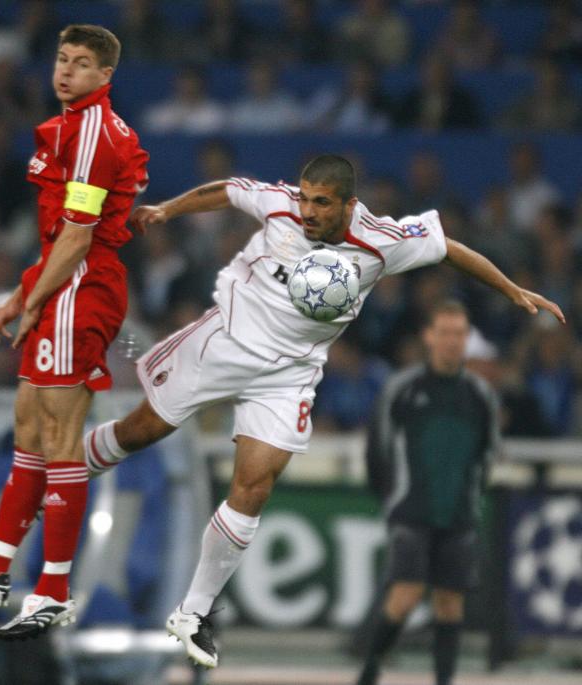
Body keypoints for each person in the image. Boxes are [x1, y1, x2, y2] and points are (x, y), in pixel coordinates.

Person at [80, 154, 564, 668]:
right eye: (305, 197)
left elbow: (451, 250)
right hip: (225, 343)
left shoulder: (381, 239)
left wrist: (510, 288)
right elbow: (228, 189)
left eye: (321, 202)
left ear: (349, 205)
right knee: (141, 431)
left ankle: (193, 611)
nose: (307, 210)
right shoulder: (281, 205)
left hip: (288, 374)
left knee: (255, 485)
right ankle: (65, 472)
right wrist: (168, 209)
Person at [0, 24, 149, 640]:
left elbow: (80, 238)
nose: (67, 71)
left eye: (82, 64)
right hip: (62, 283)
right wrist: (20, 295)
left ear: (105, 77)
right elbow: (62, 236)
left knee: (60, 432)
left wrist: (37, 300)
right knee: (29, 422)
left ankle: (53, 588)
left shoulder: (92, 135)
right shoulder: (76, 128)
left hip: (82, 289)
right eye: (62, 59)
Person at [354, 300, 500, 685]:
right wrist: (389, 496)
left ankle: (443, 680)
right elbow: (378, 448)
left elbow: (487, 454)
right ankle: (370, 669)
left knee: (450, 602)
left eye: (460, 334)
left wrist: (472, 498)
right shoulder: (403, 388)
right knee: (404, 595)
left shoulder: (479, 395)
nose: (453, 342)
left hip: (459, 511)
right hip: (412, 508)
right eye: (446, 333)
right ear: (429, 337)